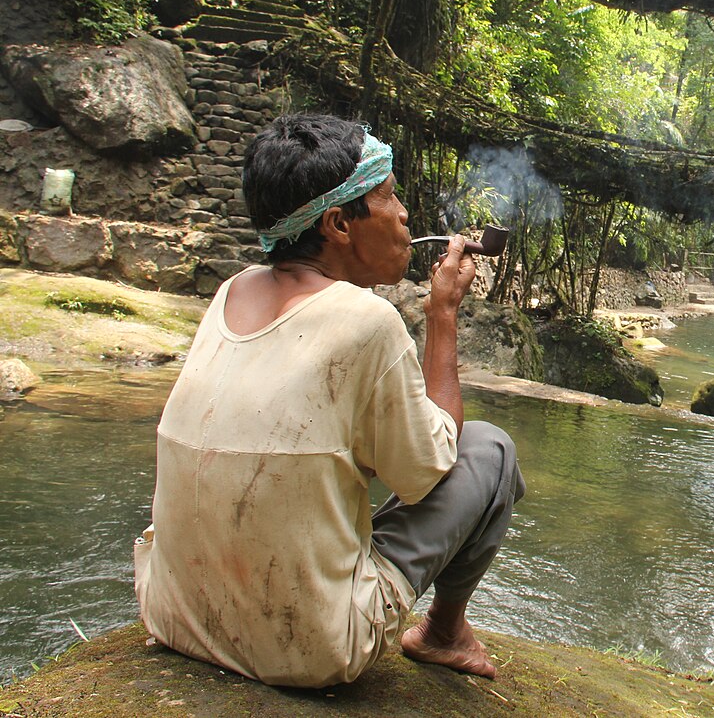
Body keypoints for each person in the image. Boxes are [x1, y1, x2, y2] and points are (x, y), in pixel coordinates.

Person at [133, 113, 524, 687]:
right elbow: (430, 467)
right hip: (305, 651)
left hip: (173, 617)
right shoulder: (366, 320)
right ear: (340, 223)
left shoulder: (231, 292)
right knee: (490, 450)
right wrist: (442, 315)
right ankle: (444, 633)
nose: (404, 215)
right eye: (389, 196)